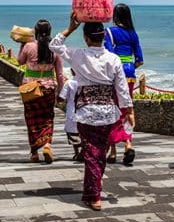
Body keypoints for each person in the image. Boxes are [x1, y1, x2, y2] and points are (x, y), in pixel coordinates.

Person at [50, 12, 134, 211]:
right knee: (100, 153)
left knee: (91, 153)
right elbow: (121, 88)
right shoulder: (113, 59)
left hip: (86, 112)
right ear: (104, 36)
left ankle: (93, 194)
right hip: (107, 113)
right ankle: (94, 187)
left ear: (86, 38)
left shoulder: (79, 55)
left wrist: (71, 27)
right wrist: (129, 110)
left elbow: (54, 45)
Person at [17, 19, 65, 163]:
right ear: (49, 32)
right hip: (48, 88)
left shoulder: (29, 46)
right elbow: (60, 75)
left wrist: (22, 44)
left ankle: (34, 153)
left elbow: (20, 61)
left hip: (30, 88)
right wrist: (60, 93)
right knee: (48, 118)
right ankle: (47, 145)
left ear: (36, 32)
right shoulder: (55, 49)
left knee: (31, 119)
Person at [104, 3, 144, 165]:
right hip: (130, 75)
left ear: (115, 16)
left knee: (112, 111)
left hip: (115, 76)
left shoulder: (109, 32)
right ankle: (128, 144)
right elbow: (140, 60)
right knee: (126, 109)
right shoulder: (133, 34)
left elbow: (108, 55)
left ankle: (112, 151)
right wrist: (129, 67)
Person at [58, 69, 82, 161]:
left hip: (72, 112)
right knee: (84, 134)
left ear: (72, 71)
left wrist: (59, 100)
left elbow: (62, 97)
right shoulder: (87, 82)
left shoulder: (69, 82)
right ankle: (83, 150)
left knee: (72, 134)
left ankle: (76, 153)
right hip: (84, 112)